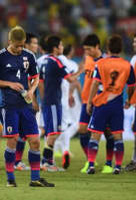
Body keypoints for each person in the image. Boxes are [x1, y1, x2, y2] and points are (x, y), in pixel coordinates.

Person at [0, 25, 54, 187]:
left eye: (22, 45)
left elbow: (36, 77)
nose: (20, 48)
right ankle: (10, 179)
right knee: (12, 142)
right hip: (9, 107)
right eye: (17, 45)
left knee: (35, 141)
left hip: (25, 107)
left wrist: (31, 90)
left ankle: (35, 178)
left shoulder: (29, 55)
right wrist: (9, 84)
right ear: (10, 41)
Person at [86, 34, 135, 174]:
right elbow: (131, 85)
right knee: (117, 136)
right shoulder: (127, 65)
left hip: (101, 103)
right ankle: (118, 166)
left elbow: (95, 83)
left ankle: (91, 165)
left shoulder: (100, 64)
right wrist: (129, 99)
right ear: (121, 49)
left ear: (107, 48)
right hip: (117, 104)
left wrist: (90, 102)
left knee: (95, 135)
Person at [39, 35, 82, 171]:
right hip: (53, 101)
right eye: (61, 45)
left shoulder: (45, 61)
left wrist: (43, 97)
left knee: (52, 132)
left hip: (47, 100)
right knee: (54, 133)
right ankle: (46, 162)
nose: (62, 47)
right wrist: (82, 70)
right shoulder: (56, 62)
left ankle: (47, 162)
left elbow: (39, 81)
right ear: (55, 48)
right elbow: (71, 79)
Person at [78, 34, 115, 174]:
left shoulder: (105, 61)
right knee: (82, 130)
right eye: (85, 49)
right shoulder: (87, 58)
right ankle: (90, 161)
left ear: (97, 47)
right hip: (85, 100)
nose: (87, 52)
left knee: (107, 132)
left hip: (100, 101)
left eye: (89, 49)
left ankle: (108, 163)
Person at [54, 44, 82, 169]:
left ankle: (55, 149)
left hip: (54, 97)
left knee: (54, 126)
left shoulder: (51, 60)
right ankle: (64, 148)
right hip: (68, 98)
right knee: (75, 123)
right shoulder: (69, 63)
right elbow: (73, 80)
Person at [14, 32, 39, 171]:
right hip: (25, 101)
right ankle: (17, 161)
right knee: (24, 132)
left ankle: (17, 161)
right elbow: (29, 82)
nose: (36, 46)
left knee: (22, 133)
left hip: (23, 100)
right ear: (27, 44)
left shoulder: (29, 58)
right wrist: (33, 100)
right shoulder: (27, 58)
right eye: (34, 43)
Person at [125, 33, 136, 171]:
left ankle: (134, 161)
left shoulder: (134, 59)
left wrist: (128, 99)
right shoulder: (133, 58)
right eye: (134, 41)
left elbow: (132, 84)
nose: (134, 44)